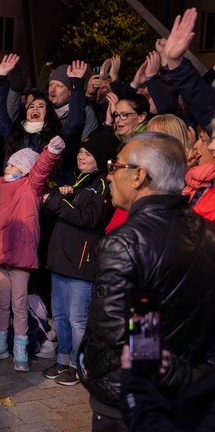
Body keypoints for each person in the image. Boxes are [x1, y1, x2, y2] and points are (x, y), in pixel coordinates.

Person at [78, 131, 215, 431]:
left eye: (115, 165)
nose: (109, 174)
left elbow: (129, 339)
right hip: (193, 393)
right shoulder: (209, 233)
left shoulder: (127, 243)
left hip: (134, 402)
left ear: (139, 176)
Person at [0, 131, 64, 372]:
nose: (7, 166)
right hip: (0, 253)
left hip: (20, 256)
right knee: (1, 302)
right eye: (8, 163)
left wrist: (51, 152)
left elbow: (41, 170)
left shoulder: (30, 186)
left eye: (13, 164)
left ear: (24, 168)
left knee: (19, 303)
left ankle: (21, 347)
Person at [41, 128, 117, 386]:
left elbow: (91, 217)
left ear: (102, 157)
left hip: (82, 264)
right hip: (62, 259)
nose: (81, 156)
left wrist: (57, 202)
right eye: (81, 152)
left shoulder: (103, 184)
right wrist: (64, 195)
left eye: (88, 153)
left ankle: (78, 364)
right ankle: (63, 359)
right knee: (60, 315)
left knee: (77, 319)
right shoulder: (79, 179)